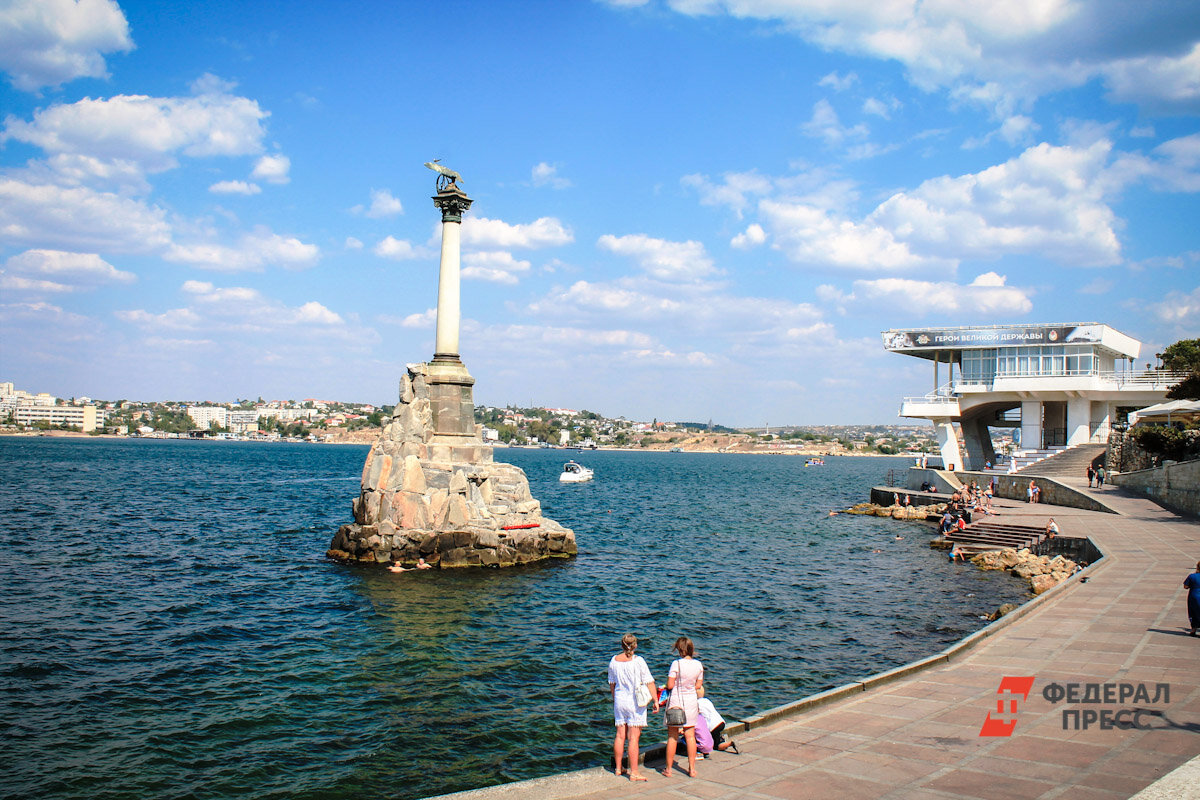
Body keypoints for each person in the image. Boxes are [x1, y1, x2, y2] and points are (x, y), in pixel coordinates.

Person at [608, 633, 659, 781]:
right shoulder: (639, 661)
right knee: (633, 738)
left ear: (622, 645)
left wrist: (615, 699)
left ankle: (618, 768)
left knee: (619, 736)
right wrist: (655, 700)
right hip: (635, 702)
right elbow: (649, 682)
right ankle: (634, 772)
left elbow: (612, 684)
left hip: (619, 700)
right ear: (635, 645)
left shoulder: (614, 661)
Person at [663, 636, 703, 778]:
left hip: (676, 702)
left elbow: (670, 685)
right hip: (691, 701)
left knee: (673, 736)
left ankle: (668, 769)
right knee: (690, 735)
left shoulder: (676, 664)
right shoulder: (698, 665)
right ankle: (691, 769)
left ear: (679, 650)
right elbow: (698, 686)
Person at [696, 686, 738, 754]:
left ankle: (730, 743)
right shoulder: (707, 700)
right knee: (716, 735)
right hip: (720, 722)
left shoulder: (697, 704)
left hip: (712, 726)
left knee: (716, 746)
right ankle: (721, 738)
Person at [1185, 561, 1200, 637]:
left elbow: (1185, 586)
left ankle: (1193, 630)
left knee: (1193, 612)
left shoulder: (1192, 576)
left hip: (1194, 596)